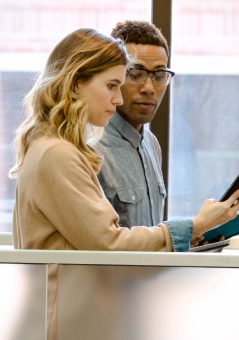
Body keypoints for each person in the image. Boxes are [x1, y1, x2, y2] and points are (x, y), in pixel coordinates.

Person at [8, 28, 239, 339]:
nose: (118, 98)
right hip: (72, 324)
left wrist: (198, 236)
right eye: (111, 86)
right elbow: (109, 244)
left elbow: (122, 241)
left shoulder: (66, 149)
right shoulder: (57, 154)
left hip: (100, 318)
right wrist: (192, 226)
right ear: (76, 82)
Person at [94, 20, 173, 228]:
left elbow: (153, 233)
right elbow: (100, 244)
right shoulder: (90, 146)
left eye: (159, 75)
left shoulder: (151, 143)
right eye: (136, 74)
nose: (149, 87)